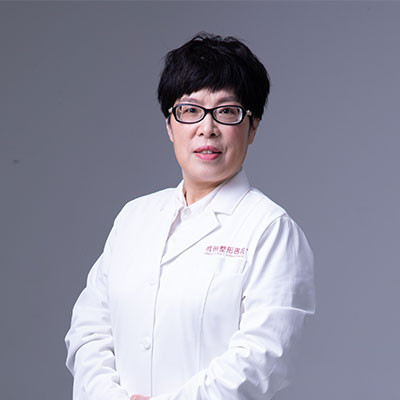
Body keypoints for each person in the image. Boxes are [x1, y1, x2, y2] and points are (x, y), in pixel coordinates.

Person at [65, 33, 315, 400]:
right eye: (190, 110)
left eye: (226, 111)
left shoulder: (271, 230)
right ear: (170, 125)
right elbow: (89, 330)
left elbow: (264, 357)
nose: (206, 128)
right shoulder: (133, 218)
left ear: (253, 126)